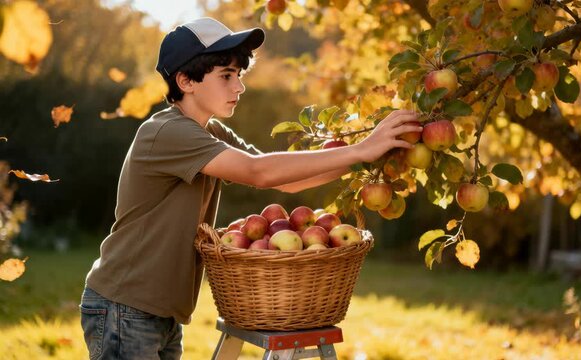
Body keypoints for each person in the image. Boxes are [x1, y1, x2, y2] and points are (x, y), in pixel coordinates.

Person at [79, 17, 421, 359]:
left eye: (238, 76)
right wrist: (362, 149)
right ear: (186, 80)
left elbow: (285, 180)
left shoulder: (209, 132)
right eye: (226, 76)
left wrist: (365, 158)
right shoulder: (167, 132)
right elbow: (259, 171)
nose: (239, 87)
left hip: (158, 312)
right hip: (125, 306)